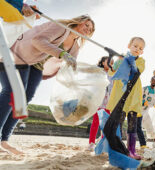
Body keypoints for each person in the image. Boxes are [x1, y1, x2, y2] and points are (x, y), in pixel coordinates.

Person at [0, 15, 95, 154]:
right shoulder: (60, 26)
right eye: (86, 25)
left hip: (36, 66)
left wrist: (82, 74)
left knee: (24, 100)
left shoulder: (75, 47)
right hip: (18, 55)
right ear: (78, 21)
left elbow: (69, 67)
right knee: (13, 92)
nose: (88, 29)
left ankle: (4, 140)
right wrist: (61, 53)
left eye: (91, 29)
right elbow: (37, 40)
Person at [106, 37, 145, 160]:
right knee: (118, 122)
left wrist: (129, 61)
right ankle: (118, 149)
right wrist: (113, 65)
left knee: (132, 124)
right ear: (129, 45)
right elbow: (112, 74)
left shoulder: (141, 61)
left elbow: (136, 71)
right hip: (121, 96)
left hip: (133, 97)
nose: (137, 49)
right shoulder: (120, 59)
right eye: (135, 46)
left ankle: (132, 150)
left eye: (140, 48)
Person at [87, 56, 113, 151]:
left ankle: (102, 142)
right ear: (102, 63)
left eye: (112, 62)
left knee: (106, 123)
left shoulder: (112, 74)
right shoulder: (99, 72)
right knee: (96, 122)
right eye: (108, 61)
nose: (111, 63)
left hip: (109, 101)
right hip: (99, 100)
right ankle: (91, 143)